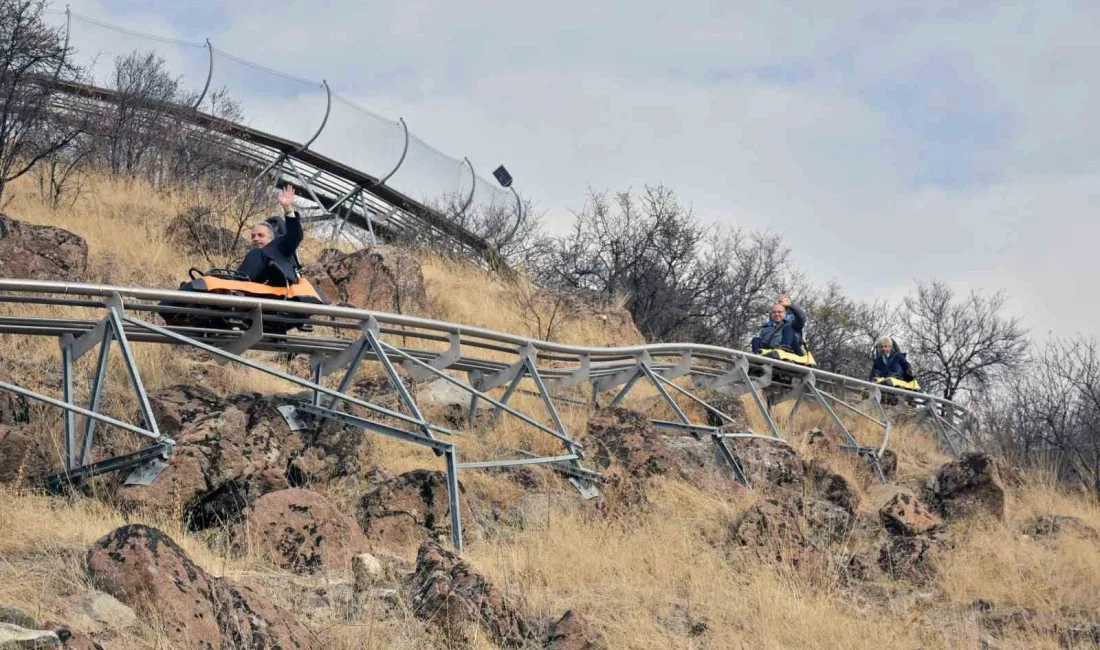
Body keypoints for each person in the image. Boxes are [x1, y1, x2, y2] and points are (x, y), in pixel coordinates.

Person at [237, 185, 302, 286]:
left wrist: (288, 209)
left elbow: (295, 235)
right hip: (253, 289)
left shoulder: (280, 247)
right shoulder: (251, 256)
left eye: (260, 235)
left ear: (271, 238)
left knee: (255, 253)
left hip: (278, 287)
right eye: (253, 236)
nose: (255, 239)